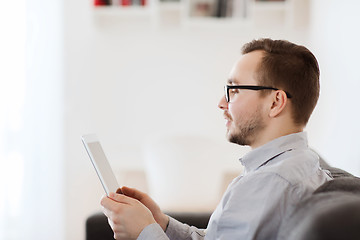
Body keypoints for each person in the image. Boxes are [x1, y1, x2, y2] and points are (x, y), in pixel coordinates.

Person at [100, 38, 332, 240]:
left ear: (275, 102)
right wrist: (161, 224)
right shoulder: (297, 165)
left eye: (235, 90)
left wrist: (143, 232)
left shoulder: (269, 182)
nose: (222, 102)